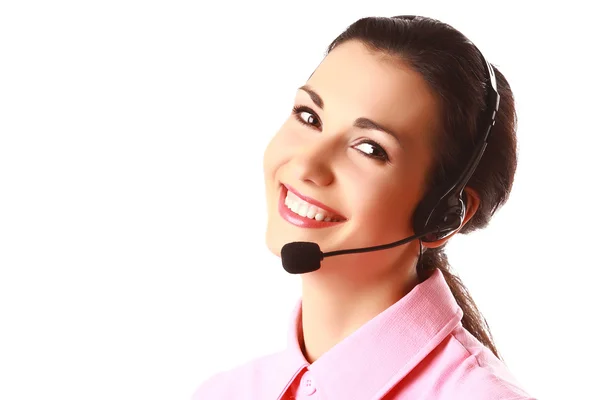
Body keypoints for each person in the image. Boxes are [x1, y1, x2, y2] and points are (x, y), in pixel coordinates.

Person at [193, 15, 535, 400]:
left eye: (369, 148)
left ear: (444, 215)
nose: (306, 165)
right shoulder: (226, 391)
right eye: (310, 117)